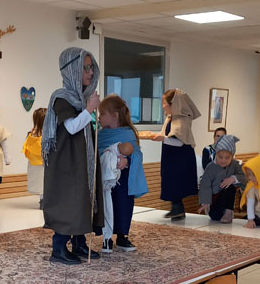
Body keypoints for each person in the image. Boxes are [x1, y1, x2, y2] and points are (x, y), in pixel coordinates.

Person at [42, 47, 104, 265]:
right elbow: (71, 127)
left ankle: (79, 242)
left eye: (91, 67)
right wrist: (89, 110)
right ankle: (58, 248)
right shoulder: (62, 98)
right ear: (72, 70)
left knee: (84, 198)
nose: (90, 72)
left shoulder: (82, 97)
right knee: (69, 200)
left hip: (82, 159)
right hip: (66, 161)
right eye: (85, 68)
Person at [98, 94, 147, 253]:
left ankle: (122, 236)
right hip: (106, 178)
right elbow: (96, 152)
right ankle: (106, 237)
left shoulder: (128, 133)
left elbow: (137, 153)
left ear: (115, 116)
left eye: (102, 114)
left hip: (123, 178)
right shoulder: (100, 135)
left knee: (123, 207)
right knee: (106, 206)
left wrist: (127, 160)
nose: (99, 117)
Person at [148, 88, 200, 221]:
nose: (163, 106)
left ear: (173, 104)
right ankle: (177, 209)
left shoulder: (181, 120)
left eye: (164, 103)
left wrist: (162, 138)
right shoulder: (171, 118)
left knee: (176, 182)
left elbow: (180, 142)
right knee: (170, 181)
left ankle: (177, 209)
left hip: (180, 159)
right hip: (172, 157)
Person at [198, 134, 245, 223]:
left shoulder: (235, 164)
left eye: (227, 158)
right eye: (220, 157)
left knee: (230, 187)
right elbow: (205, 184)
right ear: (216, 154)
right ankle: (220, 212)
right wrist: (205, 202)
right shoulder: (211, 167)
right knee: (215, 216)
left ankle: (228, 212)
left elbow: (243, 177)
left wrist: (233, 178)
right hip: (215, 198)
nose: (223, 161)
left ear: (232, 156)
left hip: (227, 196)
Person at [23, 107, 46, 210]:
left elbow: (26, 149)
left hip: (34, 163)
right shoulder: (46, 134)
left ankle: (42, 200)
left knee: (40, 184)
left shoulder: (31, 134)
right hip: (43, 163)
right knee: (44, 182)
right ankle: (44, 201)